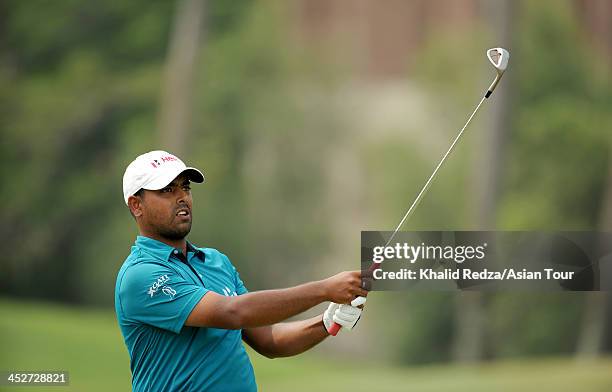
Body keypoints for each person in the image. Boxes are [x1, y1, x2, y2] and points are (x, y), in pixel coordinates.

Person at [114, 150, 368, 392]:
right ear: (136, 205)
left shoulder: (216, 261)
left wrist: (327, 321)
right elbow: (232, 312)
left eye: (186, 187)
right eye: (167, 190)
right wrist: (325, 290)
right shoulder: (140, 275)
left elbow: (269, 339)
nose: (182, 196)